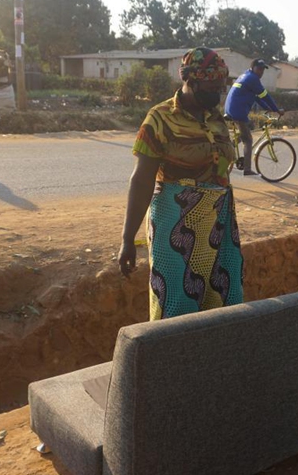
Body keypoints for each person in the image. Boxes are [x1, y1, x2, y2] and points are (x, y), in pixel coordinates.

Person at [118, 47, 243, 321]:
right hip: (175, 226)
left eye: (223, 86)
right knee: (176, 304)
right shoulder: (160, 118)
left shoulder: (216, 119)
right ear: (192, 81)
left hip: (218, 226)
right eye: (214, 86)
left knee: (221, 300)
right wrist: (128, 239)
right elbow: (141, 180)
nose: (220, 92)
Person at [224, 58, 284, 176]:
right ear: (253, 67)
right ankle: (247, 169)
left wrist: (269, 108)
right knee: (248, 140)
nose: (261, 72)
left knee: (246, 129)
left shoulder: (245, 75)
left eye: (263, 70)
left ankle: (229, 145)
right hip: (238, 111)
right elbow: (265, 95)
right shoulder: (253, 79)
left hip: (231, 109)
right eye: (259, 69)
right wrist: (277, 110)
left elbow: (257, 96)